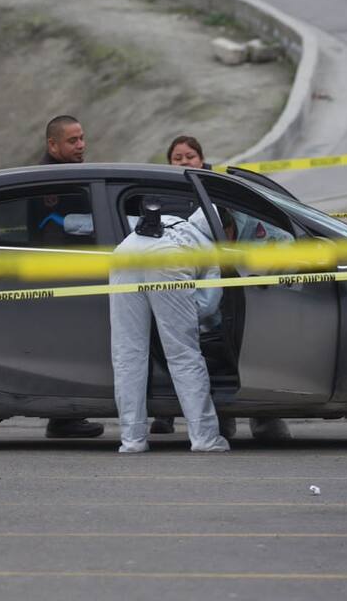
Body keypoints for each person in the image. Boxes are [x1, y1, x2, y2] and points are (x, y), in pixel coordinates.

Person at [152, 135, 293, 443]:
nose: (185, 161)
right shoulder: (164, 193)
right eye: (178, 157)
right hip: (206, 289)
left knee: (255, 350)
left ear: (202, 158)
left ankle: (265, 420)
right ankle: (221, 421)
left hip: (249, 290)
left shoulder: (224, 193)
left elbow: (279, 240)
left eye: (190, 156)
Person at [110, 204, 230, 454]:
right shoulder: (208, 247)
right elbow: (206, 306)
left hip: (125, 253)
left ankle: (132, 441)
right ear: (223, 228)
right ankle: (205, 439)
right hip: (170, 259)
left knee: (127, 354)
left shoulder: (171, 220)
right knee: (183, 354)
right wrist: (178, 311)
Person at [34, 115, 104, 440]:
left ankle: (66, 416)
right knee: (68, 346)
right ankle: (63, 417)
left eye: (82, 138)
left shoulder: (68, 175)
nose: (81, 146)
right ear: (53, 144)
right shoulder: (49, 181)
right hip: (63, 278)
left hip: (78, 274)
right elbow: (51, 234)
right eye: (73, 141)